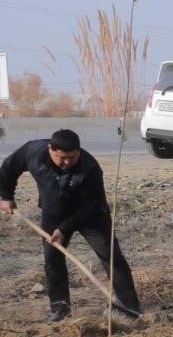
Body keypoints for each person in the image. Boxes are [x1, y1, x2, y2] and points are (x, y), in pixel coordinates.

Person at [0, 129, 143, 322]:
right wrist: (6, 196)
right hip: (54, 214)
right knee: (53, 260)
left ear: (78, 151)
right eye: (62, 158)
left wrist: (64, 229)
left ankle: (129, 306)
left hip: (91, 215)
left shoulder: (90, 168)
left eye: (72, 157)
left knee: (110, 256)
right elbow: (8, 169)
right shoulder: (33, 152)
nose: (67, 162)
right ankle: (60, 308)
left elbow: (91, 206)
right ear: (50, 150)